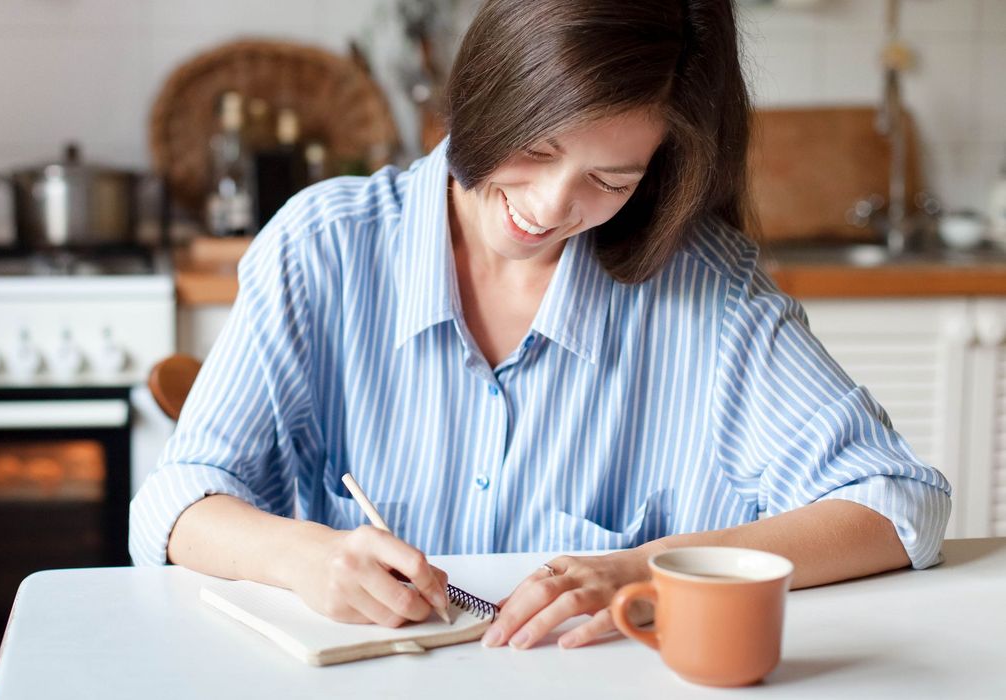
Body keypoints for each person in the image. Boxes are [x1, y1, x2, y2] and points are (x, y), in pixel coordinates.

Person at [130, 0, 950, 652]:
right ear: (489, 89)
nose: (552, 208)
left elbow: (897, 503)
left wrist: (646, 574)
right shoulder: (322, 247)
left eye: (611, 177)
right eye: (537, 144)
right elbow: (175, 503)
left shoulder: (704, 290)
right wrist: (305, 559)